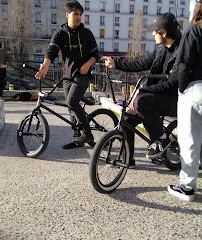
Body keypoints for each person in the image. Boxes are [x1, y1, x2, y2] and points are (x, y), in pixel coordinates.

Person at [102, 13, 181, 168]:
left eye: (155, 31)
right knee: (126, 120)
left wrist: (144, 91)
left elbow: (172, 84)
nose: (152, 34)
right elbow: (141, 64)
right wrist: (116, 64)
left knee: (141, 100)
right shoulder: (161, 49)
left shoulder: (182, 52)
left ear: (164, 33)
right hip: (155, 95)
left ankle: (162, 139)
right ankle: (128, 159)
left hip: (173, 99)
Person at [35, 0, 99, 149]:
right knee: (71, 108)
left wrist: (87, 64)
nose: (78, 17)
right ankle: (77, 138)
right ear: (67, 15)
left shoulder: (86, 34)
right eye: (75, 14)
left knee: (72, 102)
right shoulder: (60, 34)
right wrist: (45, 66)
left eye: (80, 14)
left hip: (82, 75)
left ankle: (87, 134)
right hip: (67, 76)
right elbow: (51, 51)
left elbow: (96, 54)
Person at [168, 0, 202, 201]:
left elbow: (183, 65)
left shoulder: (194, 30)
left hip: (195, 88)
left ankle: (187, 187)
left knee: (189, 139)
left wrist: (182, 90)